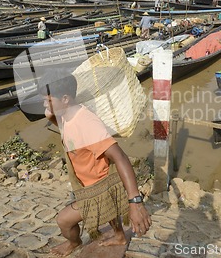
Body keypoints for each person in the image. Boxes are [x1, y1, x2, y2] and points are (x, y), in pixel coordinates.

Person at [39, 73, 151, 257]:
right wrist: (50, 106)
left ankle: (73, 243)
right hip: (87, 180)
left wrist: (135, 202)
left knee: (64, 221)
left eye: (48, 101)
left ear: (65, 99)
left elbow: (120, 157)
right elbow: (52, 116)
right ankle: (120, 236)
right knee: (110, 212)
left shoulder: (87, 124)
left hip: (98, 187)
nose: (45, 106)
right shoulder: (65, 114)